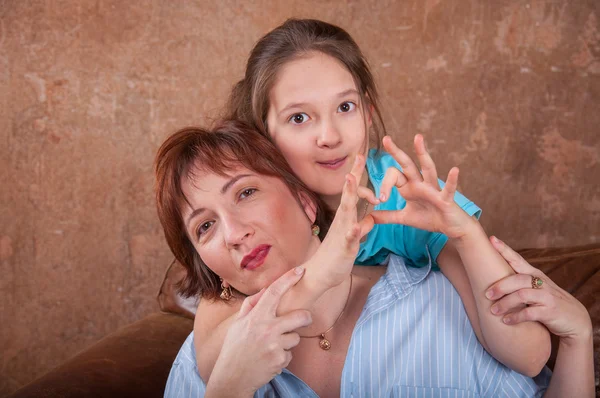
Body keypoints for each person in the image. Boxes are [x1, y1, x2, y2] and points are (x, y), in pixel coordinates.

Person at [196, 18, 550, 377]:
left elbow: (529, 356)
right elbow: (213, 363)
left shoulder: (406, 200)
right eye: (299, 117)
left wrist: (464, 233)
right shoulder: (254, 218)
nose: (329, 135)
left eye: (345, 108)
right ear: (263, 133)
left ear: (368, 112)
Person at [156, 121, 593, 397]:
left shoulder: (442, 305)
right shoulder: (203, 364)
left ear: (307, 203)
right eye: (205, 227)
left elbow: (530, 360)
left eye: (246, 193)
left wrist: (576, 343)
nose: (233, 234)